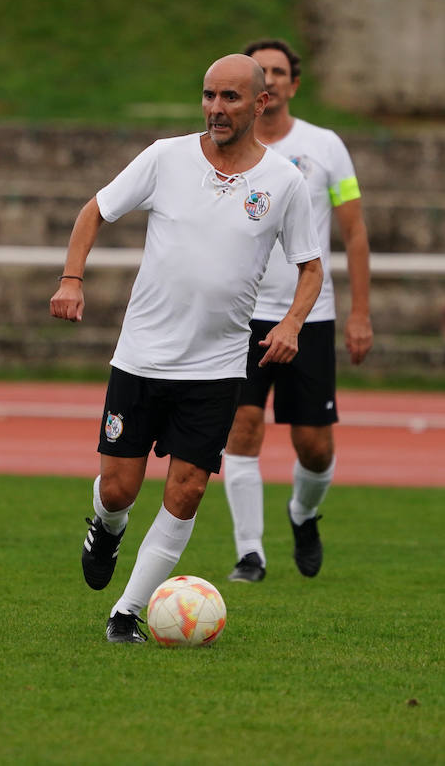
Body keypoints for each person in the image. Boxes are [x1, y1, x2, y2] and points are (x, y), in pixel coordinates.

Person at [49, 53, 324, 643]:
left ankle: (126, 612)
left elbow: (311, 268)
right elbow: (95, 210)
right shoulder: (165, 157)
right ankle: (106, 524)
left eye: (229, 98)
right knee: (120, 488)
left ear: (262, 103)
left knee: (189, 488)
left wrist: (293, 324)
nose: (215, 109)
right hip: (143, 356)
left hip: (219, 366)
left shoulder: (284, 181)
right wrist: (72, 278)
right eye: (208, 96)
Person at [221, 38, 373, 584]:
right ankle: (249, 553)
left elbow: (353, 233)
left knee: (313, 445)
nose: (272, 79)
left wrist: (360, 313)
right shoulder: (224, 147)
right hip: (241, 315)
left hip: (309, 314)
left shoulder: (325, 146)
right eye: (261, 71)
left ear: (292, 84)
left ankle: (303, 514)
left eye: (280, 72)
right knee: (241, 428)